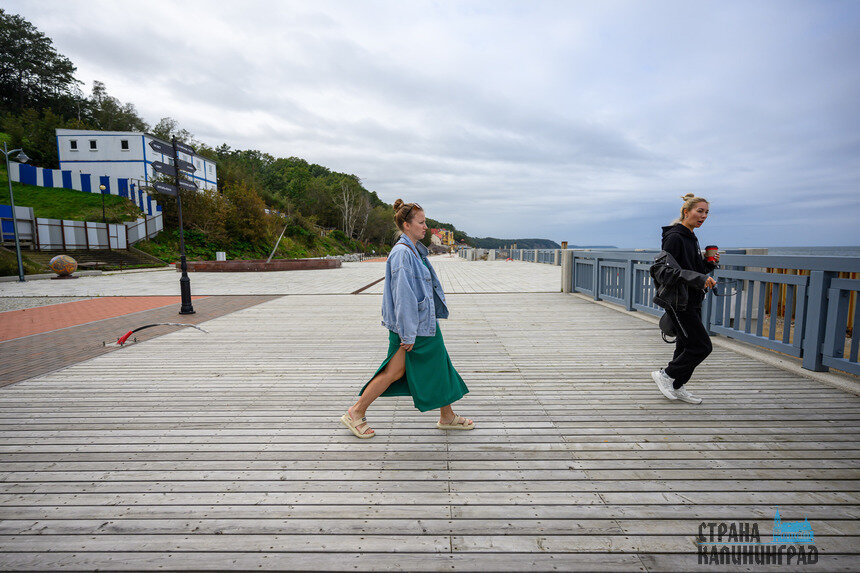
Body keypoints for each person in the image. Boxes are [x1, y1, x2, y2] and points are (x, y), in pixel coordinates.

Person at [341, 199, 473, 438]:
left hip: (423, 323)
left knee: (439, 365)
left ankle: (447, 416)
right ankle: (356, 411)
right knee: (394, 372)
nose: (426, 227)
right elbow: (403, 297)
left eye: (425, 222)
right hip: (412, 327)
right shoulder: (403, 254)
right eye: (421, 223)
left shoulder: (413, 250)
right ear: (406, 225)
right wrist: (408, 334)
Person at [651, 194, 719, 404]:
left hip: (693, 299)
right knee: (702, 346)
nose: (704, 216)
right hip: (679, 302)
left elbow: (691, 269)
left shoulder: (691, 236)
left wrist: (708, 264)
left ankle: (677, 386)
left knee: (684, 346)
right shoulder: (675, 237)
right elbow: (663, 271)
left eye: (706, 212)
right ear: (686, 211)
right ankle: (666, 375)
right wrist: (699, 278)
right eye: (700, 211)